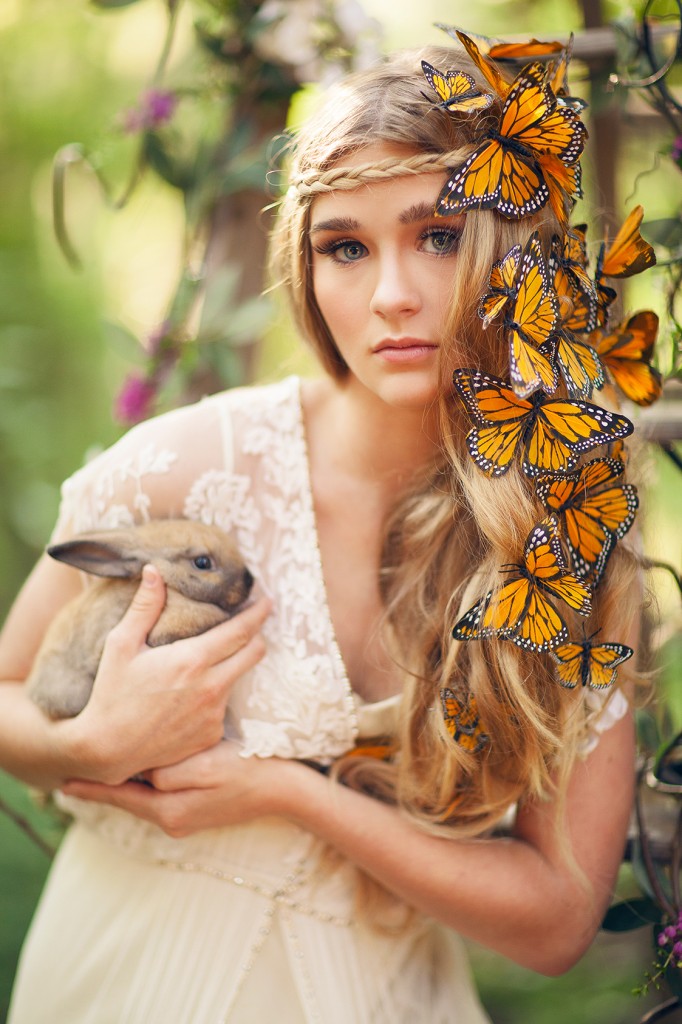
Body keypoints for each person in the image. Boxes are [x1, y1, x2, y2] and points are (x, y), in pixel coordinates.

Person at [1, 37, 643, 1024]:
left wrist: (291, 795)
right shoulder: (186, 463)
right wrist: (91, 737)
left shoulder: (569, 537)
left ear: (515, 251)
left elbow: (557, 920)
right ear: (305, 267)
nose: (389, 294)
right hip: (128, 978)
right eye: (345, 246)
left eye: (435, 235)